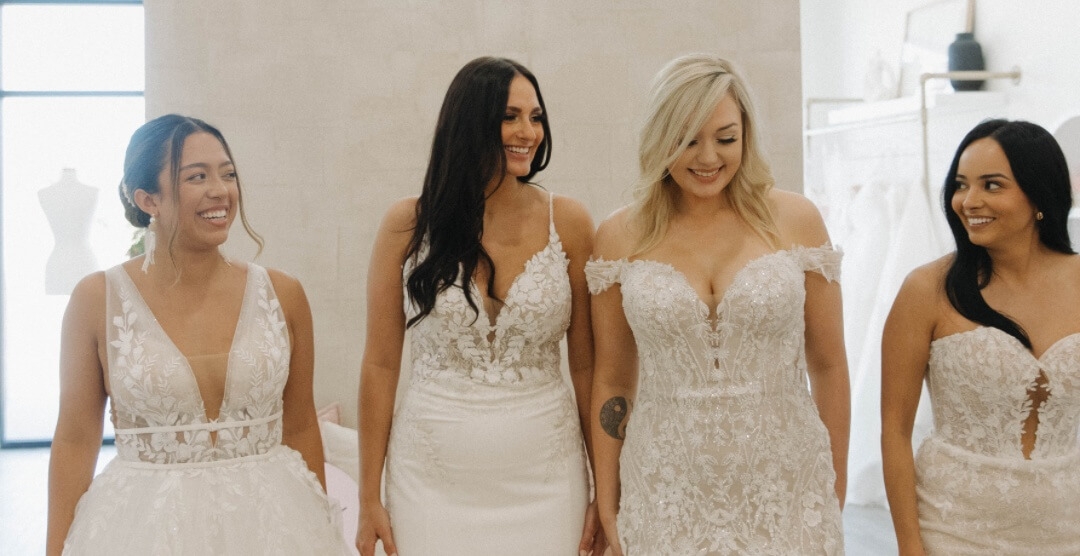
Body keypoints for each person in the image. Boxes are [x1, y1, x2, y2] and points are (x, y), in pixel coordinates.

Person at [46, 114, 347, 555]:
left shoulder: (283, 293)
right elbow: (75, 440)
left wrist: (322, 528)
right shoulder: (97, 299)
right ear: (148, 199)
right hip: (145, 529)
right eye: (197, 177)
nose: (220, 191)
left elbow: (300, 425)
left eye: (227, 174)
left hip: (273, 525)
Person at [586, 53, 850, 555]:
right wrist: (608, 497)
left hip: (786, 488)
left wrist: (830, 487)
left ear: (746, 134)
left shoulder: (796, 220)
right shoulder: (620, 235)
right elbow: (613, 379)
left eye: (725, 138)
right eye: (687, 139)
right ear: (660, 138)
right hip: (665, 490)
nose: (708, 157)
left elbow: (830, 364)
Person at [356, 57, 603, 556]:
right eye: (510, 116)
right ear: (470, 120)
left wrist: (603, 490)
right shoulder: (407, 224)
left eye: (536, 117)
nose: (528, 132)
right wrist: (368, 496)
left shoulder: (570, 222)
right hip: (429, 480)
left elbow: (588, 367)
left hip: (548, 480)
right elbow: (380, 365)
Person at [882, 119, 1080, 554]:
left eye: (992, 186)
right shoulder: (927, 290)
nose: (968, 201)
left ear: (1039, 196)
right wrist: (910, 548)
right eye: (960, 185)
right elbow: (894, 432)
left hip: (1067, 531)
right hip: (955, 532)